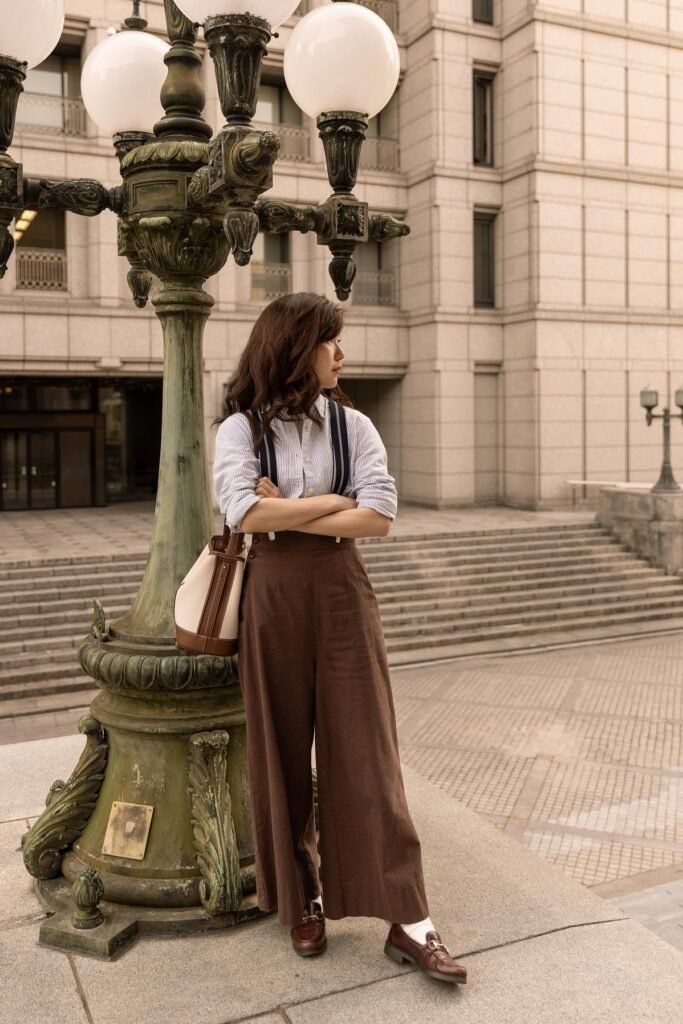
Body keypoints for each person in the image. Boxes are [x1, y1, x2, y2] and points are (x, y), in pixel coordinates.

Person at [213, 292, 467, 985]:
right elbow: (241, 510)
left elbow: (379, 515)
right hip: (272, 597)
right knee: (281, 750)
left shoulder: (353, 425)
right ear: (297, 348)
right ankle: (304, 899)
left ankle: (409, 919)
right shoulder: (238, 430)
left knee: (369, 754)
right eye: (331, 342)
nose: (341, 354)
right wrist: (335, 501)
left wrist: (289, 511)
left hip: (341, 591)